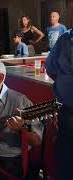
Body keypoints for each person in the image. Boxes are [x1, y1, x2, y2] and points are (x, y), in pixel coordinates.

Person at [45, 29, 73, 180]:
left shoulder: (64, 38)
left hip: (66, 107)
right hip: (66, 110)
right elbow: (50, 69)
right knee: (64, 155)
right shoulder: (65, 39)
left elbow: (51, 70)